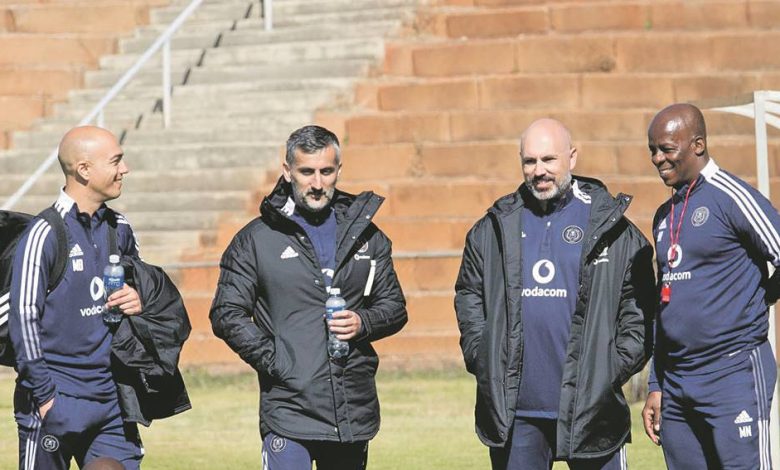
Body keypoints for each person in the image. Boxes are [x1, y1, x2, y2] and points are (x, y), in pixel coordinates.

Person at [455, 118, 655, 469]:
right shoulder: (494, 226)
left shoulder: (609, 224)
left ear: (572, 157)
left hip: (593, 410)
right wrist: (482, 355)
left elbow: (638, 308)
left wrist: (610, 368)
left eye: (549, 159)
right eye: (530, 161)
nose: (539, 171)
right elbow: (469, 294)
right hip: (517, 416)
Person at [209, 125, 407, 470]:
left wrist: (363, 323)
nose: (317, 183)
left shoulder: (368, 237)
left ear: (338, 171)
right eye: (306, 172)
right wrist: (277, 361)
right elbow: (227, 313)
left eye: (326, 171)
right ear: (287, 171)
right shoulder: (256, 240)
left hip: (351, 408)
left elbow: (394, 307)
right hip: (289, 407)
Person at [641, 103, 780, 469]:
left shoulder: (732, 197)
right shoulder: (663, 216)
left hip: (732, 373)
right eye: (652, 150)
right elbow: (664, 305)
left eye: (666, 149)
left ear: (697, 145)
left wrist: (760, 298)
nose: (657, 158)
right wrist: (657, 384)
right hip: (678, 381)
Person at [9, 126, 145, 469]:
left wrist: (138, 299)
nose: (124, 169)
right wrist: (45, 399)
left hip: (112, 402)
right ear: (84, 170)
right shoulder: (44, 233)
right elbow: (23, 319)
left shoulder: (121, 228)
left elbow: (146, 294)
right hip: (56, 401)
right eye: (116, 161)